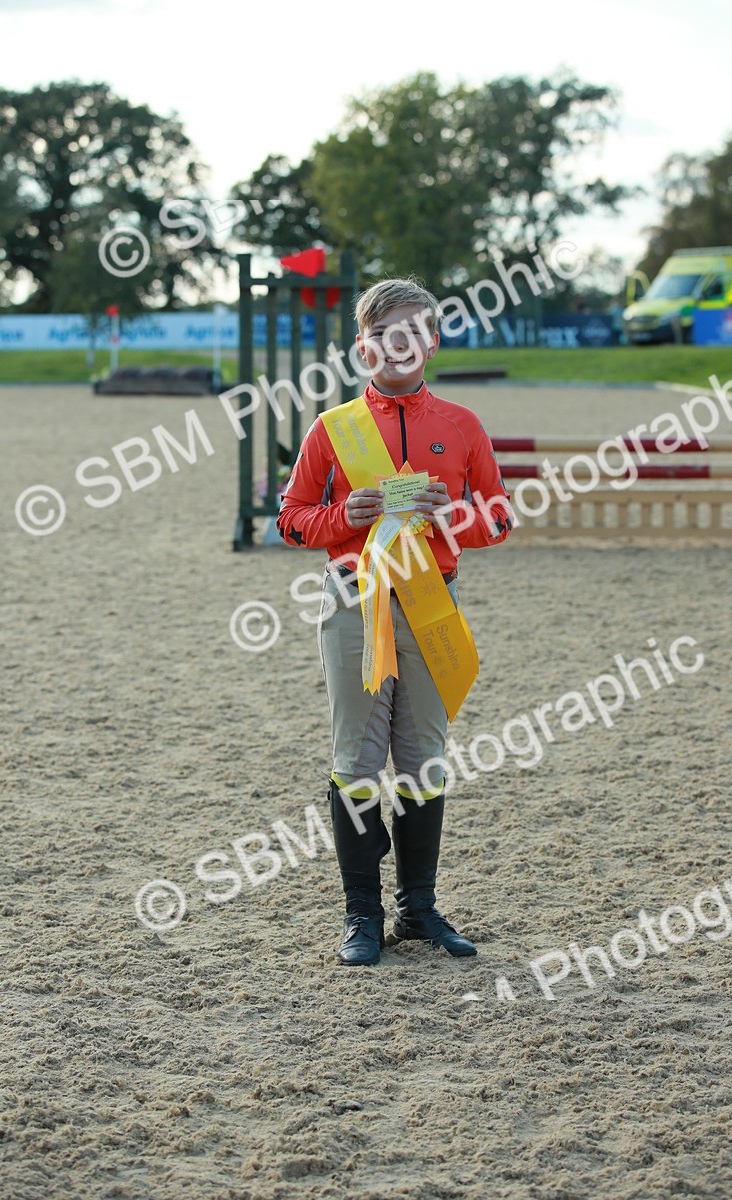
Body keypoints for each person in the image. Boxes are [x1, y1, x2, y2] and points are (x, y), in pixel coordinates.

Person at [276, 277, 513, 966]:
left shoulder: (464, 426)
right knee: (355, 763)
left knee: (423, 762)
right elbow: (290, 521)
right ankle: (362, 917)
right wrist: (339, 518)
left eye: (410, 332)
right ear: (362, 347)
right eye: (382, 334)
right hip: (354, 603)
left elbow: (498, 518)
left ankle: (419, 910)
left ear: (431, 343)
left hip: (433, 601)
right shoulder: (332, 428)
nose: (396, 345)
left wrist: (452, 516)